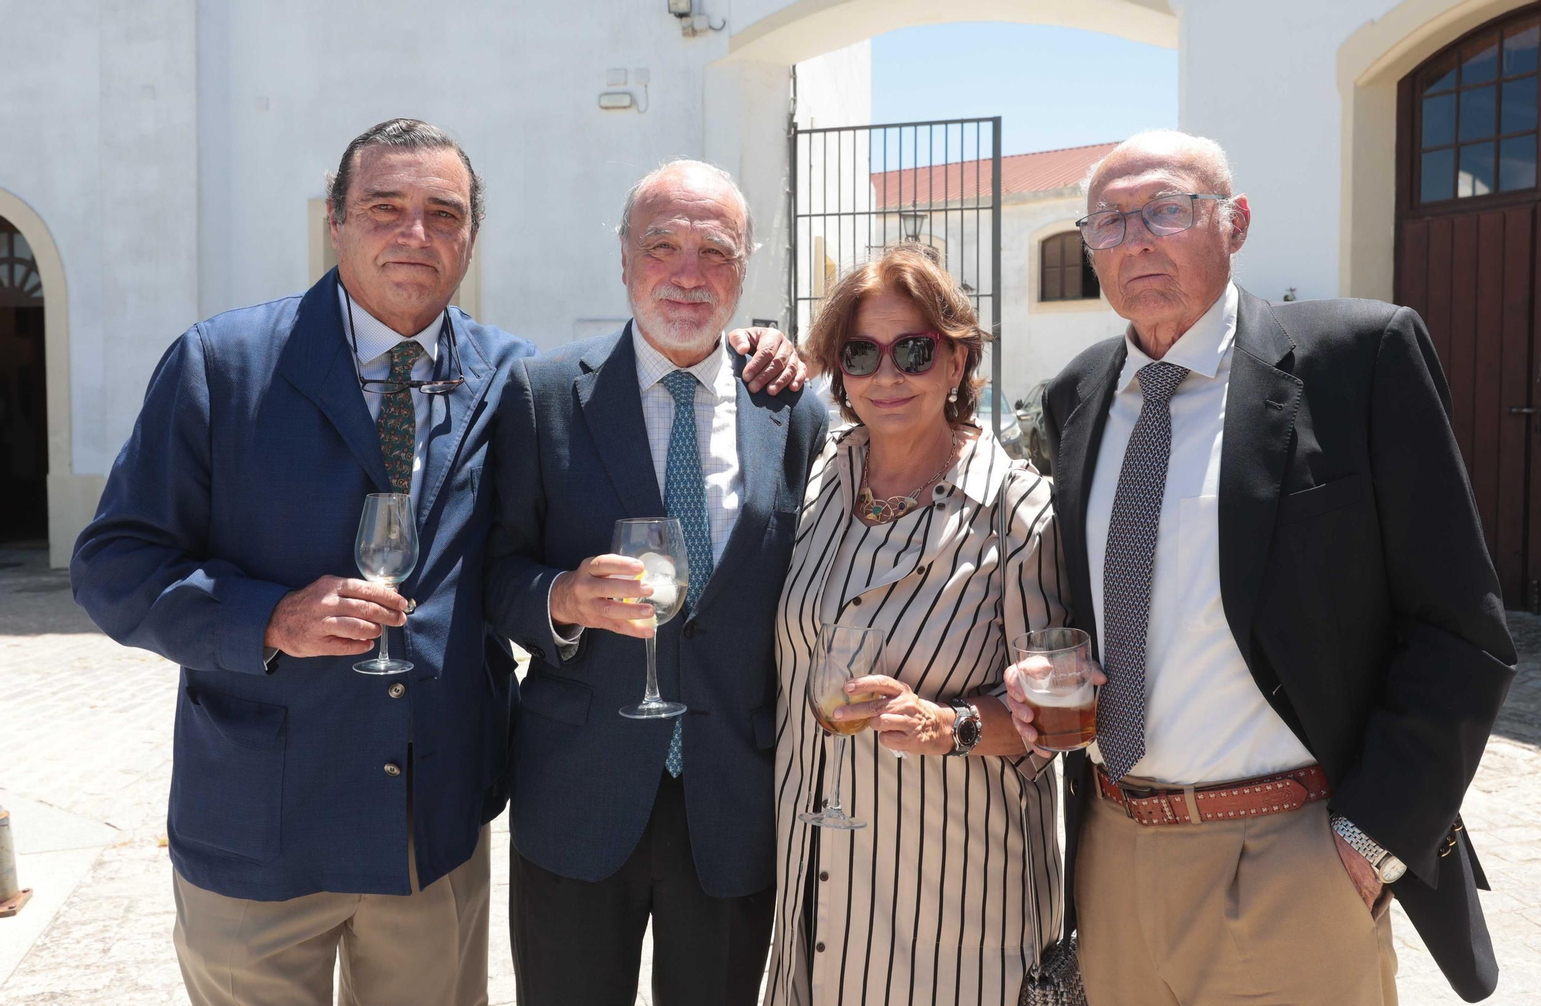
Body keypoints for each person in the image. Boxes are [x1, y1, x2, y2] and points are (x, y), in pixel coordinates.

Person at [69, 121, 802, 1006]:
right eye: (386, 207)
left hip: (430, 831)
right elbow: (113, 564)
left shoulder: (508, 377)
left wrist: (766, 346)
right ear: (336, 221)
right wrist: (263, 618)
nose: (415, 234)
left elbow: (506, 552)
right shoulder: (222, 366)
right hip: (263, 829)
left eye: (443, 214)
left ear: (469, 238)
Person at [1003, 130, 1517, 1005]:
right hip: (1114, 854)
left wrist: (1367, 846)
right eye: (1110, 222)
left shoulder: (1356, 358)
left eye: (1167, 209)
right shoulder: (1079, 393)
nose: (1138, 239)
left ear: (1234, 223)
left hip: (1294, 854)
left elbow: (1461, 631)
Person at [484, 159, 829, 1006]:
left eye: (715, 251)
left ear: (746, 266)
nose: (687, 274)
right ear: (625, 257)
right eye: (662, 245)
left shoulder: (792, 410)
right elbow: (491, 574)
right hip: (579, 790)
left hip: (732, 799)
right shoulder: (543, 394)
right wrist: (560, 599)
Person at [766, 245, 1075, 1005]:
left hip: (954, 904)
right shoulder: (814, 486)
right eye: (861, 353)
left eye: (913, 349)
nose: (887, 375)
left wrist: (952, 724)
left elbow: (1059, 721)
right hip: (814, 887)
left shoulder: (1020, 513)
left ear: (957, 358)